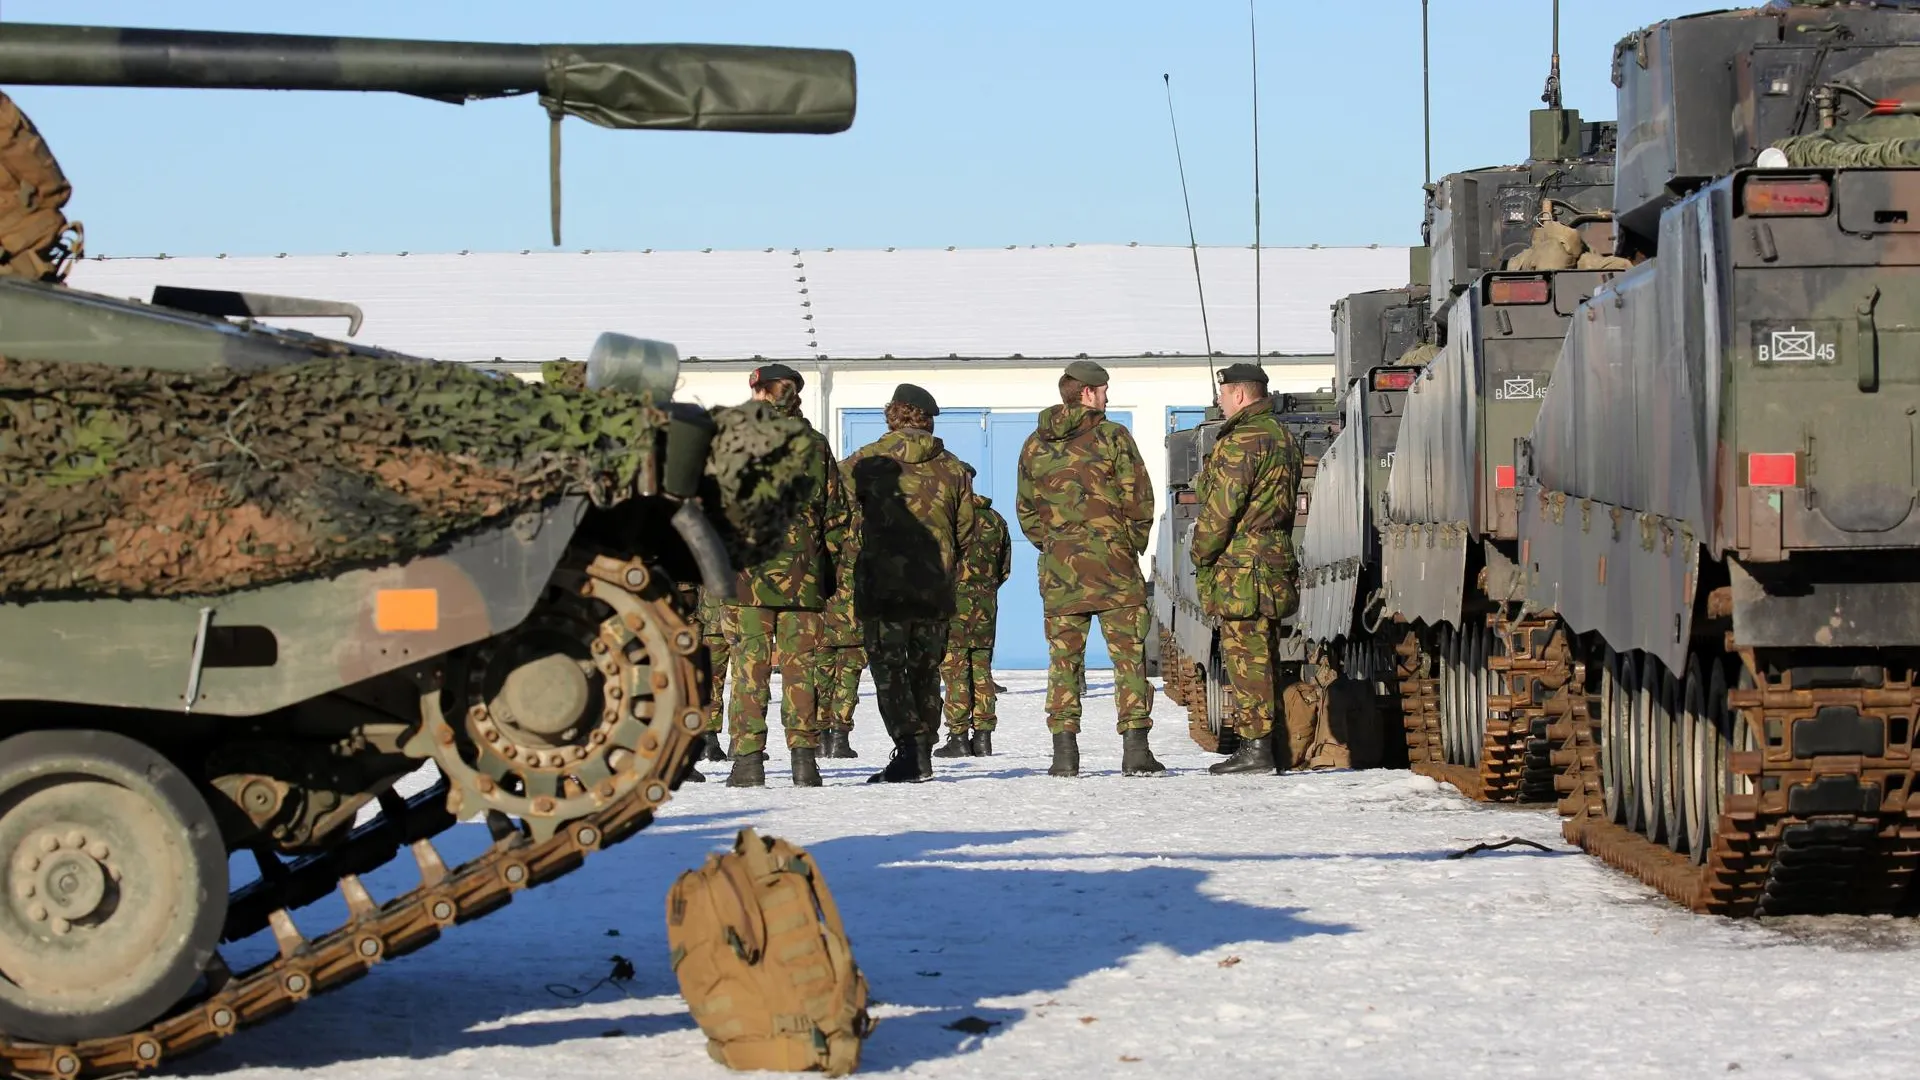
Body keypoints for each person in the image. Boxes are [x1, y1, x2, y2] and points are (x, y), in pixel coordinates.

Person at [1015, 360, 1163, 777]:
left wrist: (1054, 546)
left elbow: (1026, 511)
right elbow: (1139, 499)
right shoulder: (1114, 437)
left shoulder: (1033, 444)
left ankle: (1065, 755)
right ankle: (1135, 751)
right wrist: (1129, 545)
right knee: (1129, 658)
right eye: (1103, 390)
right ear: (1087, 393)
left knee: (1063, 663)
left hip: (1061, 573)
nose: (1107, 397)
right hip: (1114, 569)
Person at [841, 383, 976, 783]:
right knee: (925, 669)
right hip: (934, 586)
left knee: (889, 668)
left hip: (883, 586)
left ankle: (909, 747)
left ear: (893, 414)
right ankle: (923, 750)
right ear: (927, 418)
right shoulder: (952, 467)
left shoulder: (863, 462)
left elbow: (839, 515)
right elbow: (965, 529)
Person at [723, 363, 848, 788]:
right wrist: (821, 564)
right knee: (802, 668)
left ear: (760, 393)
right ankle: (804, 761)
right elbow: (838, 515)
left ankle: (747, 762)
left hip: (748, 577)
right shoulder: (815, 445)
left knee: (750, 668)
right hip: (803, 574)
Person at [1188, 363, 1304, 775]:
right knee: (1265, 655)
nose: (1218, 401)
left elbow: (1222, 509)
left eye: (1222, 394)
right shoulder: (1283, 436)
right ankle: (1270, 745)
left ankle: (1256, 749)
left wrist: (1200, 552)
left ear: (1239, 395)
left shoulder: (1243, 440)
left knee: (1246, 658)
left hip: (1242, 568)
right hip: (1272, 560)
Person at [934, 463, 1012, 757]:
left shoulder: (946, 519)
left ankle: (957, 737)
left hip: (952, 605)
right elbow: (1004, 569)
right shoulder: (995, 520)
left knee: (954, 672)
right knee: (981, 670)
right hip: (984, 606)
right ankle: (983, 736)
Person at [816, 454, 866, 759]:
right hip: (855, 610)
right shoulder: (867, 522)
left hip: (823, 607)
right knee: (849, 674)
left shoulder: (824, 520)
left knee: (821, 673)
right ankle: (839, 737)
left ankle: (822, 733)